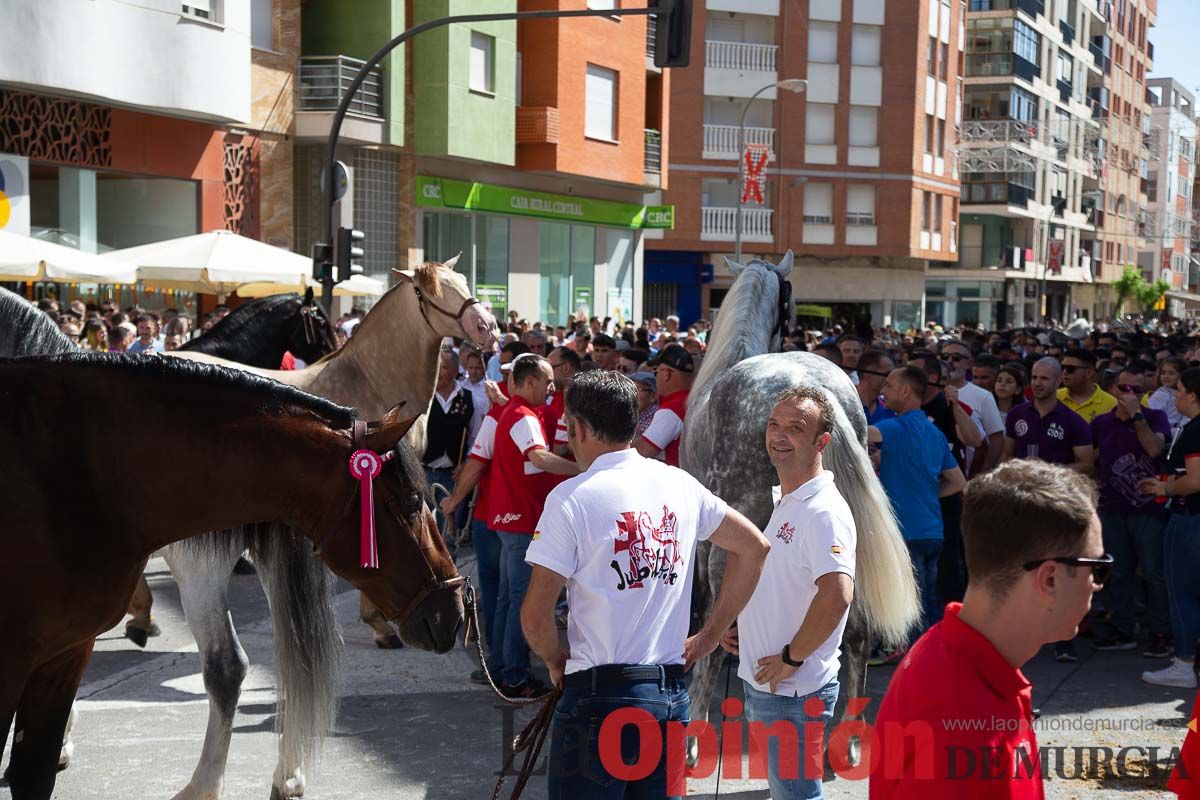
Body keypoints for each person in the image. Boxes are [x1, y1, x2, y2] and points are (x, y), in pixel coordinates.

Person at [521, 370, 770, 799]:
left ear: (578, 428)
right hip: (668, 694)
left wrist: (552, 658)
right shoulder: (679, 483)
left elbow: (534, 614)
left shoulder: (571, 498)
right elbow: (754, 546)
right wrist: (709, 635)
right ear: (634, 423)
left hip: (599, 696)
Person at [871, 460, 1108, 800]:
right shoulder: (968, 744)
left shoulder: (945, 648)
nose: (1098, 585)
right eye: (1097, 568)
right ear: (1050, 579)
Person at [720, 387, 855, 800]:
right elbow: (786, 583)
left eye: (795, 428)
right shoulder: (790, 499)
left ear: (821, 442)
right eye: (774, 424)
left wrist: (791, 658)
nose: (779, 435)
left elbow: (837, 594)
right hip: (774, 684)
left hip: (791, 690)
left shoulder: (822, 511)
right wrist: (744, 625)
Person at [488, 355, 581, 697]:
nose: (552, 388)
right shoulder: (522, 416)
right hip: (521, 521)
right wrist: (585, 471)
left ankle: (502, 668)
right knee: (521, 602)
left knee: (507, 599)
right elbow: (540, 458)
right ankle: (514, 675)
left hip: (514, 520)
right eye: (547, 382)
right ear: (530, 382)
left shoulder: (514, 413)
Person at [869, 366, 967, 634]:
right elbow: (958, 482)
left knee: (913, 606)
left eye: (888, 385)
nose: (883, 390)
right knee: (927, 601)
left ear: (905, 390)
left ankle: (920, 661)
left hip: (906, 532)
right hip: (932, 531)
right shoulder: (935, 434)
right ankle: (932, 653)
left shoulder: (894, 427)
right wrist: (924, 492)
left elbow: (861, 434)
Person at [1090, 366, 1172, 657]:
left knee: (1153, 573)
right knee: (1119, 572)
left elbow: (1154, 450)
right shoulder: (1101, 423)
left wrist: (1137, 416)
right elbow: (1092, 459)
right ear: (1113, 389)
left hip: (1148, 510)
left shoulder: (1155, 417)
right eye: (1125, 389)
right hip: (1112, 507)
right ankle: (1123, 629)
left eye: (1137, 391)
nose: (1130, 395)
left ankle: (1160, 631)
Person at [1138, 366, 1200, 689]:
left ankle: (1184, 663)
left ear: (1192, 395)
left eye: (1179, 390)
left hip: (1190, 520)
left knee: (1183, 593)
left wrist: (1165, 489)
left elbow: (1195, 480)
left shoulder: (1194, 430)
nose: (1174, 396)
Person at [1003, 358, 1093, 473]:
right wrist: (1021, 467)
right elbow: (1007, 454)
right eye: (1034, 377)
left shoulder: (1074, 421)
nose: (1037, 383)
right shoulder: (1015, 414)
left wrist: (1049, 470)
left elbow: (1087, 465)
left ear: (1058, 381)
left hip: (1054, 488)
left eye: (1044, 378)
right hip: (1021, 486)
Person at [423, 349, 475, 534]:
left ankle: (448, 562)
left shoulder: (468, 398)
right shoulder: (422, 396)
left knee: (449, 532)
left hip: (453, 474)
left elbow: (475, 437)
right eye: (435, 367)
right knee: (421, 528)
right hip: (424, 471)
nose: (438, 372)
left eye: (443, 367)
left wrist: (465, 464)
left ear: (455, 370)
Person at [940, 340, 1005, 471]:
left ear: (969, 363)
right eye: (945, 357)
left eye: (956, 358)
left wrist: (985, 470)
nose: (950, 361)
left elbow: (996, 438)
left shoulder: (983, 396)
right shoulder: (930, 393)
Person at [636, 344, 694, 467]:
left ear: (666, 374)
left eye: (656, 371)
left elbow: (642, 451)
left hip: (672, 481)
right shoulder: (691, 400)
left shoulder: (673, 409)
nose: (655, 378)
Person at [1057, 349, 1118, 423]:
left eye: (1070, 369)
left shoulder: (1111, 405)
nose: (1064, 372)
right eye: (1062, 367)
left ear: (1089, 373)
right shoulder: (1054, 397)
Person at [1150, 356, 1190, 440]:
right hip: (1165, 435)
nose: (1166, 376)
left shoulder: (1185, 393)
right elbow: (1152, 418)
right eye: (1163, 373)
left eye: (1171, 373)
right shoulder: (1160, 395)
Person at [857, 349, 896, 425]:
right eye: (888, 374)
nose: (892, 379)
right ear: (868, 374)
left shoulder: (889, 410)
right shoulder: (844, 405)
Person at [630, 371, 659, 437]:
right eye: (631, 388)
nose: (632, 393)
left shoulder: (656, 419)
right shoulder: (636, 415)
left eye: (638, 389)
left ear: (653, 396)